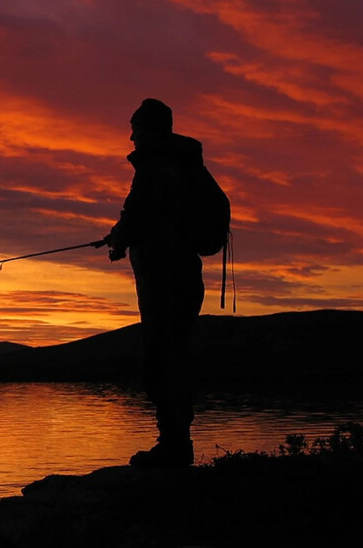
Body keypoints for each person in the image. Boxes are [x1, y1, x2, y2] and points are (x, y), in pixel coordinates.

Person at [105, 98, 206, 468]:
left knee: (164, 356)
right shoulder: (182, 163)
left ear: (151, 129)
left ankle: (174, 447)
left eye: (136, 129)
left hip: (164, 277)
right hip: (182, 273)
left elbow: (139, 212)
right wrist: (121, 235)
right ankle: (176, 443)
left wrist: (119, 237)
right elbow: (149, 215)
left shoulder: (156, 165)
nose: (131, 137)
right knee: (175, 353)